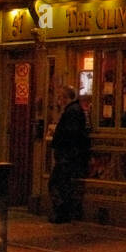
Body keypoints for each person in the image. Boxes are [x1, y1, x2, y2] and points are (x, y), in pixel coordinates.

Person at [48, 88, 91, 223]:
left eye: (60, 97)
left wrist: (64, 150)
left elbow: (71, 134)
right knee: (63, 184)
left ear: (66, 98)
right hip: (69, 155)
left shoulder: (72, 111)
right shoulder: (74, 110)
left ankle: (62, 213)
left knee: (57, 183)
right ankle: (64, 213)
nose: (59, 101)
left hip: (66, 156)